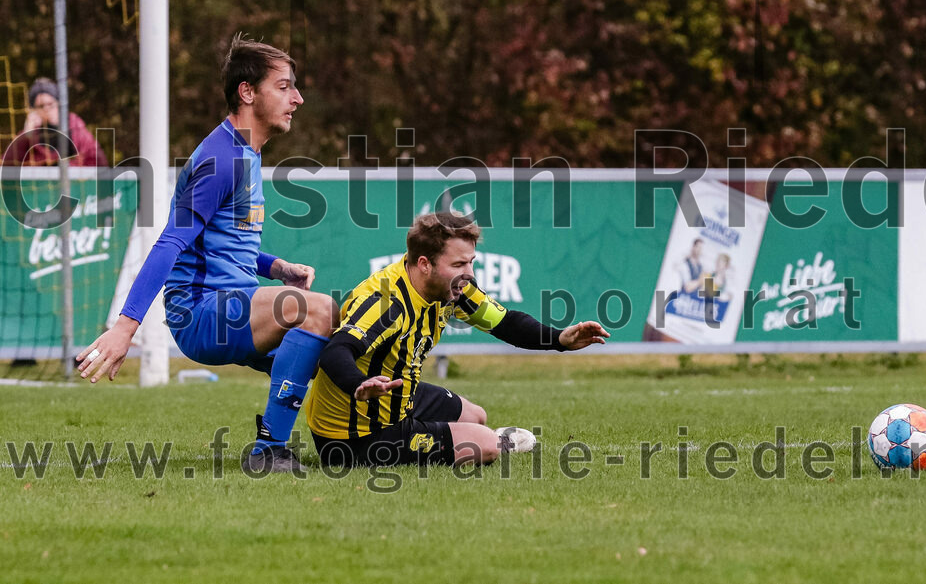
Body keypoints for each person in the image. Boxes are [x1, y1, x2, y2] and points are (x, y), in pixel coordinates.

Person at [76, 35, 337, 474]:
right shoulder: (223, 159)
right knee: (319, 311)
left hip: (230, 301)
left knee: (344, 351)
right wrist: (126, 327)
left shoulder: (246, 154)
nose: (298, 97)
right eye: (285, 86)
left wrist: (277, 267)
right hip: (201, 313)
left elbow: (221, 242)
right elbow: (171, 243)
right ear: (247, 92)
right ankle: (268, 450)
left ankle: (369, 440)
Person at [305, 211, 610, 468]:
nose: (469, 274)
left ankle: (477, 435)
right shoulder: (387, 302)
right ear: (425, 263)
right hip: (351, 436)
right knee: (487, 446)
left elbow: (504, 323)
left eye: (471, 262)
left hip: (395, 394)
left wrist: (559, 339)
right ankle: (493, 441)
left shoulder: (450, 287)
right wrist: (360, 384)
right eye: (459, 265)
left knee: (477, 416)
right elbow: (335, 352)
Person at [2, 77, 109, 166]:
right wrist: (26, 136)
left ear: (58, 103)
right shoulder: (31, 135)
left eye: (50, 104)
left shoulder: (76, 128)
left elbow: (98, 161)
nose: (46, 109)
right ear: (34, 110)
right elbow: (6, 164)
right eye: (41, 106)